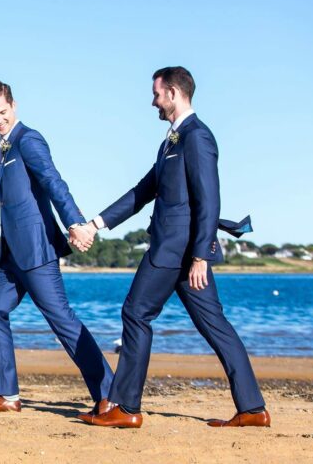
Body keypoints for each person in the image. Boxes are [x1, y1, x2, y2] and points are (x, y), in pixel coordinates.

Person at [78, 67, 269, 428]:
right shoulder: (171, 141)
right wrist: (96, 224)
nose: (153, 101)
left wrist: (200, 255)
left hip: (176, 249)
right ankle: (253, 409)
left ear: (174, 93)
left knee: (135, 313)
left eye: (156, 94)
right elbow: (142, 191)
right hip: (179, 250)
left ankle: (126, 407)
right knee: (215, 326)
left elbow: (208, 200)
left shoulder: (197, 137)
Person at [0, 80, 113, 414]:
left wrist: (75, 222)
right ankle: (7, 396)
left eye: (2, 112)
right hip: (12, 255)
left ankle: (109, 394)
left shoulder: (28, 140)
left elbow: (53, 181)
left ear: (14, 105)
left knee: (62, 320)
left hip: (37, 250)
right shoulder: (3, 148)